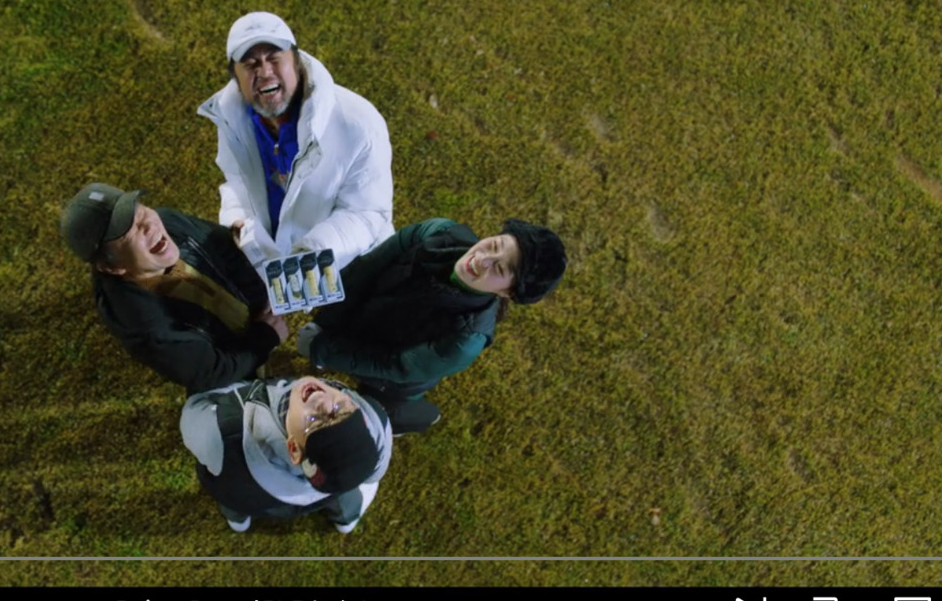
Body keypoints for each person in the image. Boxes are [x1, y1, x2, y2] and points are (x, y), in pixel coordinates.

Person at [295, 218, 567, 434]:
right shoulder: (438, 231)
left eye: (498, 269)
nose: (481, 260)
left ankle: (415, 417)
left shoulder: (466, 340)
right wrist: (325, 320)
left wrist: (323, 350)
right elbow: (366, 269)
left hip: (393, 380)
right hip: (372, 317)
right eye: (494, 245)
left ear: (507, 293)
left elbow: (393, 365)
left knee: (376, 412)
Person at [197, 12, 395, 274]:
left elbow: (367, 213)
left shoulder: (360, 124)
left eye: (274, 58)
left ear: (297, 61)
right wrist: (237, 220)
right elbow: (237, 182)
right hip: (276, 263)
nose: (265, 72)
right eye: (250, 63)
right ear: (235, 75)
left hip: (357, 263)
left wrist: (310, 255)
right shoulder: (232, 119)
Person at [60, 181, 289, 395]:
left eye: (140, 211)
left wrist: (262, 299)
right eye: (130, 231)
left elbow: (224, 246)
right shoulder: (138, 320)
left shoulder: (168, 221)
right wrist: (264, 338)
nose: (149, 224)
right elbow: (209, 372)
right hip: (230, 364)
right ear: (113, 267)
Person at [181, 375, 392, 533]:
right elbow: (375, 473)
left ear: (293, 448)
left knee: (232, 497)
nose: (323, 401)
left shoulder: (224, 430)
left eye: (315, 421)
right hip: (326, 492)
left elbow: (192, 412)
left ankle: (238, 520)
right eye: (342, 410)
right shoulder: (376, 422)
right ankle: (346, 519)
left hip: (247, 492)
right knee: (342, 493)